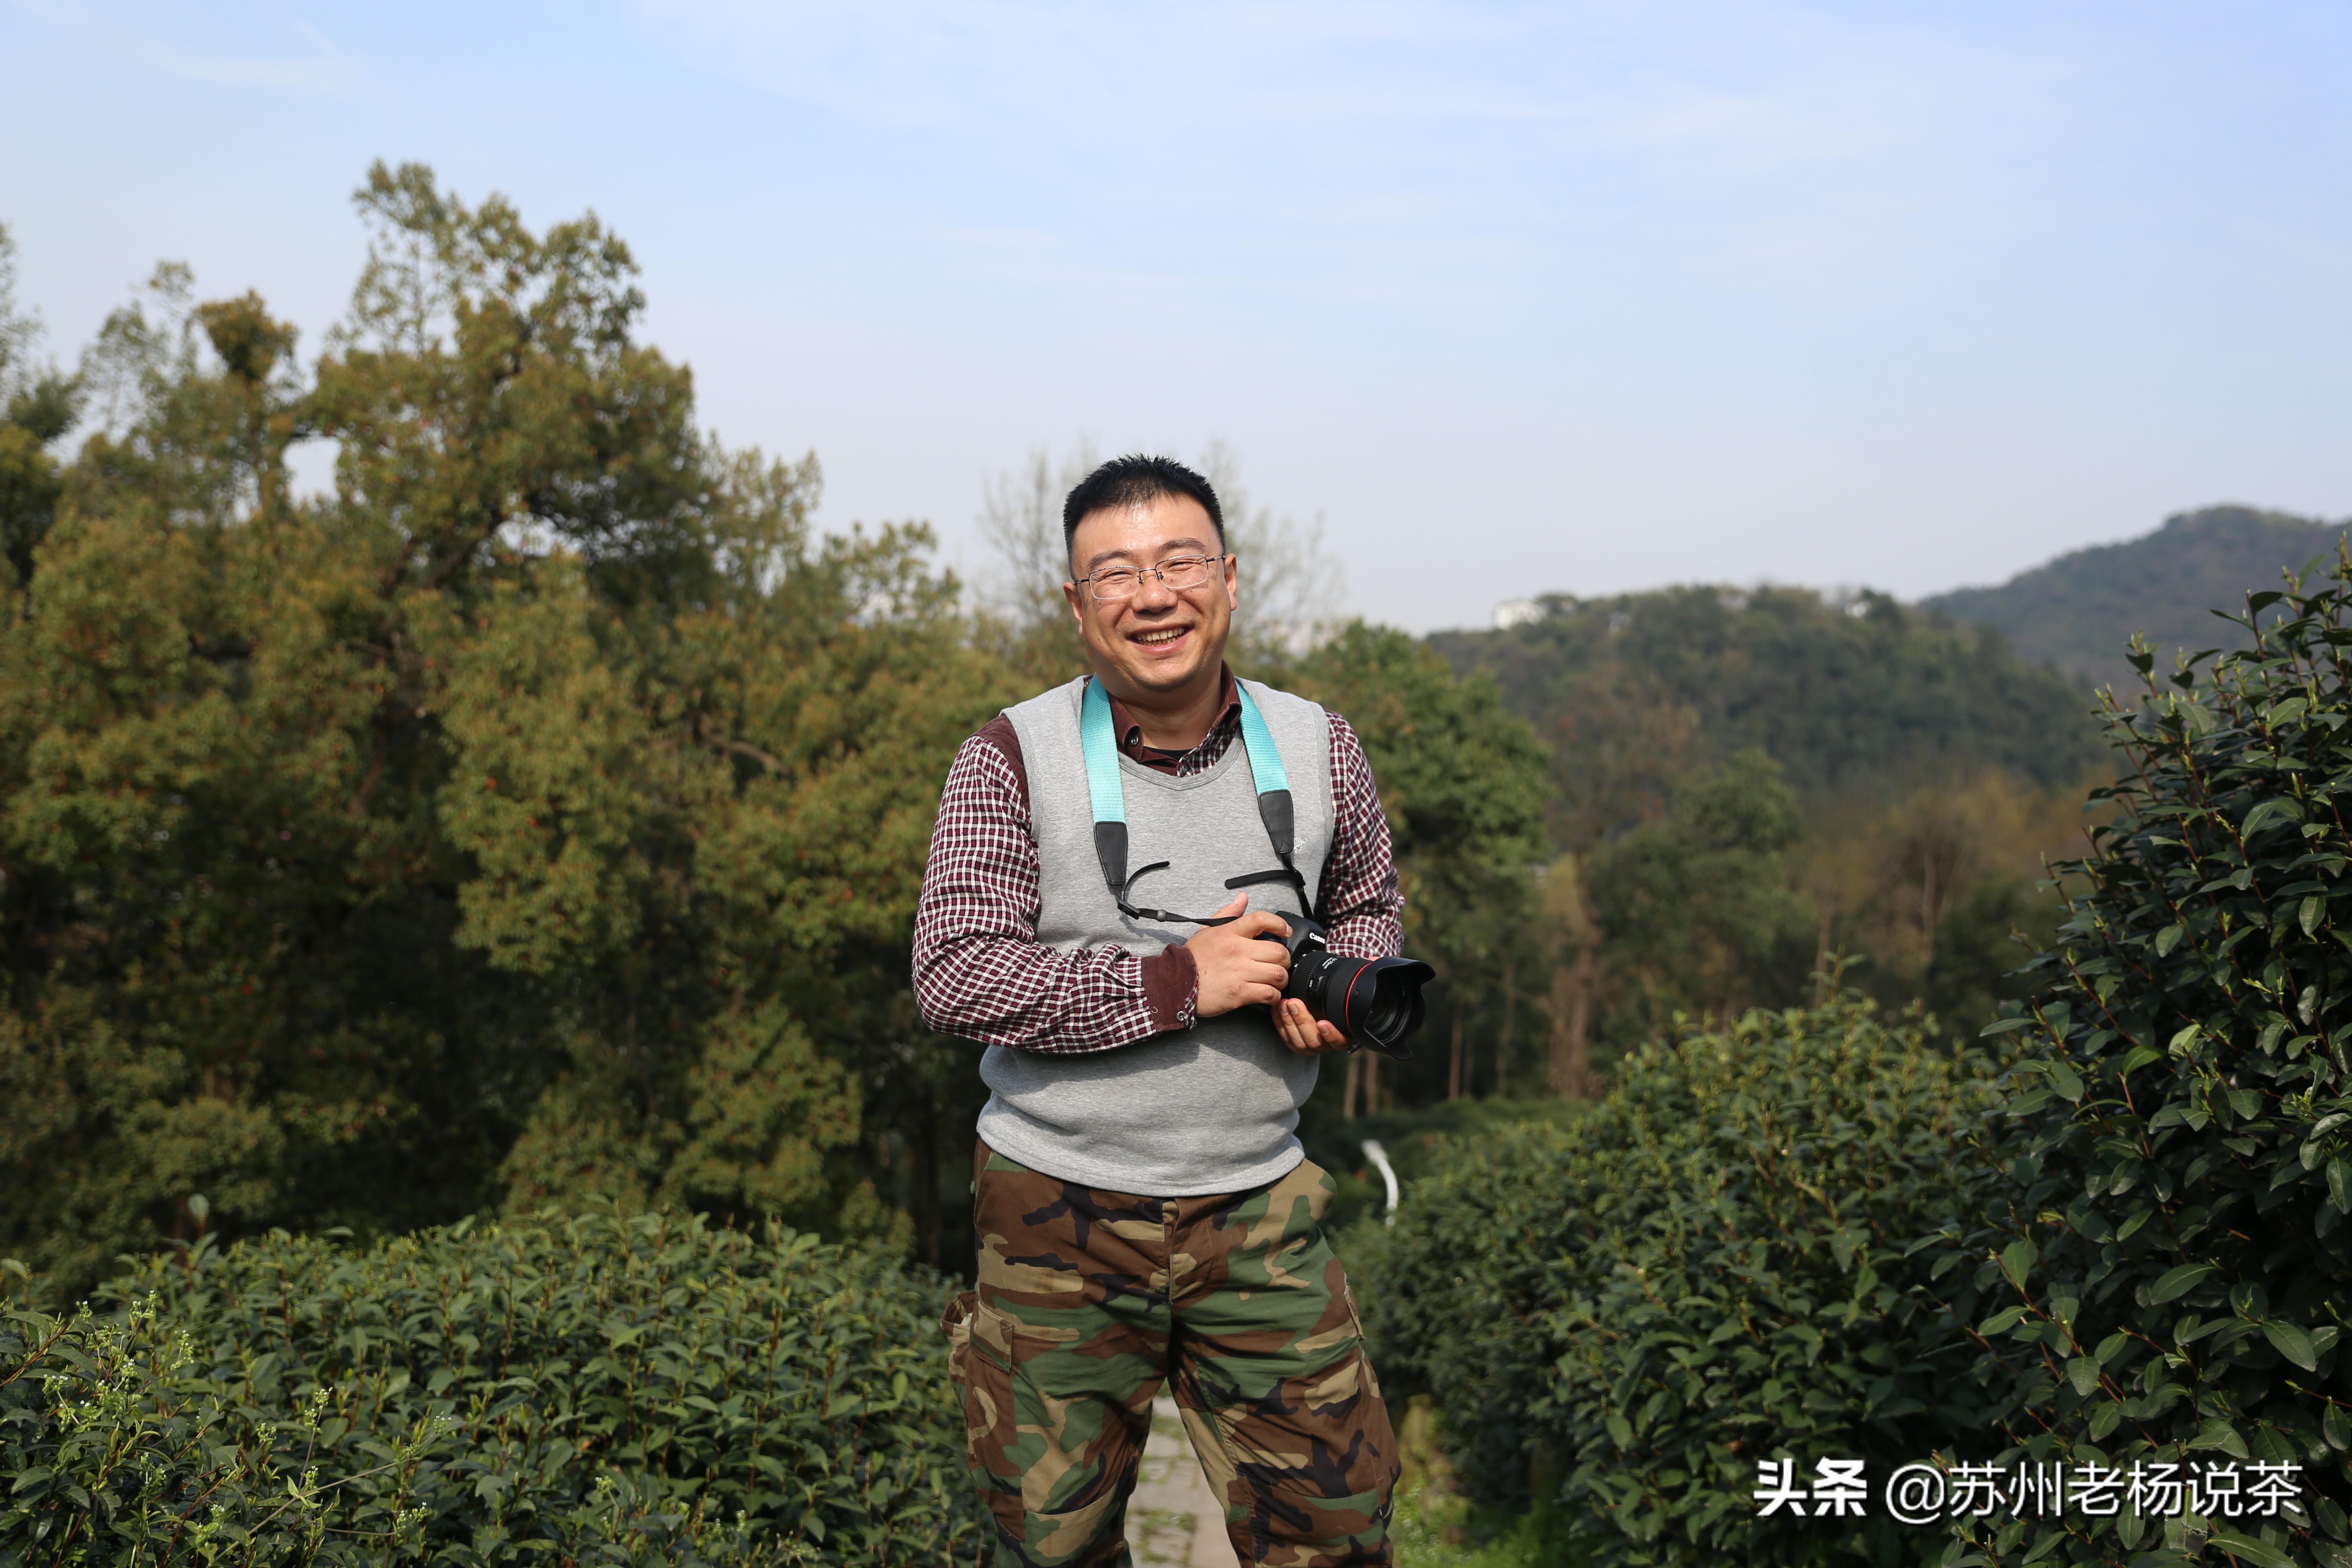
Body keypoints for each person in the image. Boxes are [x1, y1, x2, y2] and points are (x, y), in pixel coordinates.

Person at [913, 454, 1404, 1567]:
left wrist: (1335, 992)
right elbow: (956, 972)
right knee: (1051, 1545)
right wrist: (1178, 984)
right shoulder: (1009, 756)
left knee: (1337, 1535)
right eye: (1117, 572)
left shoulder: (1322, 745)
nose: (1153, 594)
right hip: (1053, 1211)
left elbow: (1372, 909)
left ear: (1227, 578)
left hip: (1261, 1204)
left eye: (1180, 562)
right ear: (1076, 604)